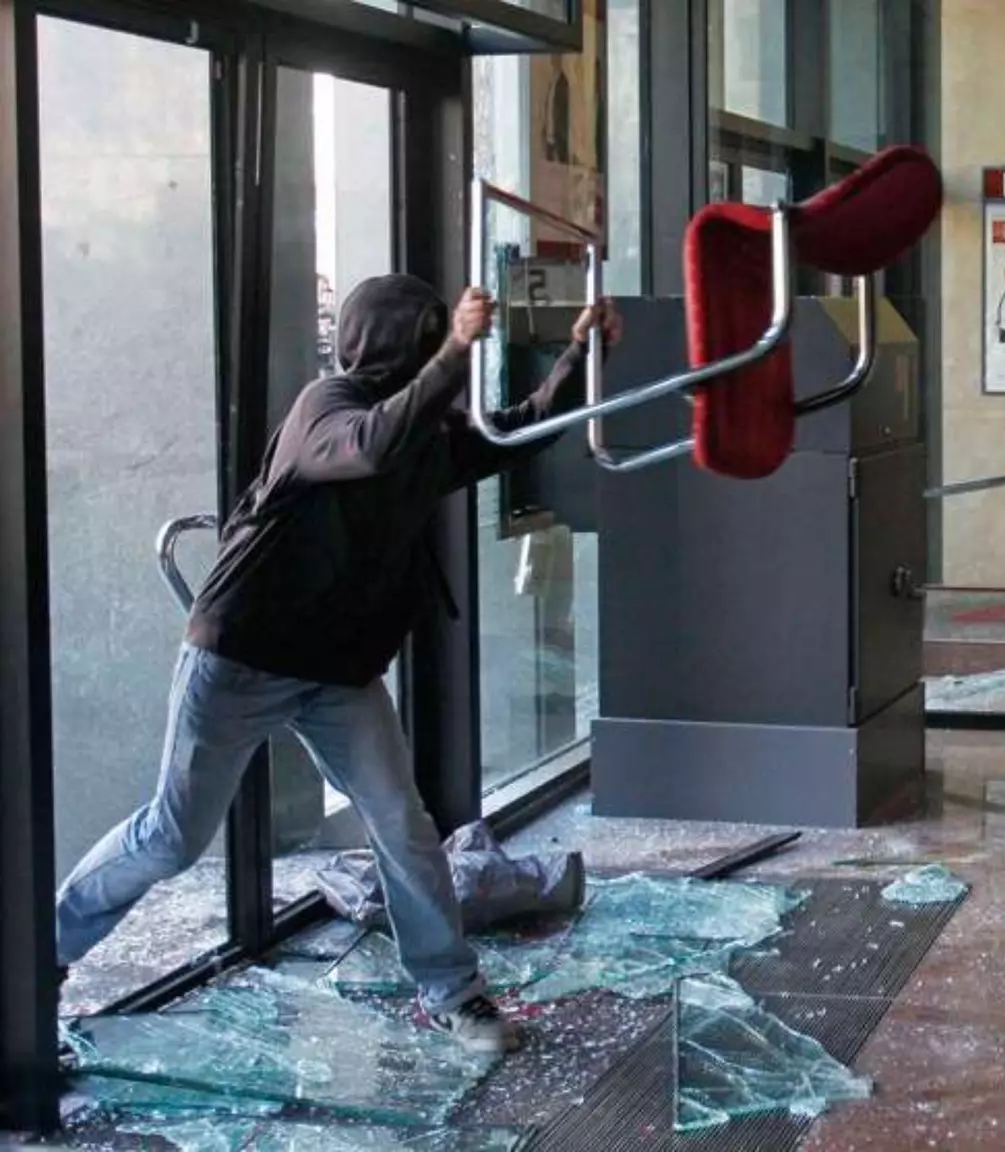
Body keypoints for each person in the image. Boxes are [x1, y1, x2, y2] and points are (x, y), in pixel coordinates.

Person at [54, 274, 625, 1054]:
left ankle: (454, 992)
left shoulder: (423, 437)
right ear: (398, 343)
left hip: (336, 673)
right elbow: (370, 445)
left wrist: (579, 351)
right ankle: (41, 957)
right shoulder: (326, 407)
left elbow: (515, 431)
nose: (436, 350)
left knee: (402, 823)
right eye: (427, 337)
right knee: (172, 837)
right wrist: (459, 351)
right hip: (243, 655)